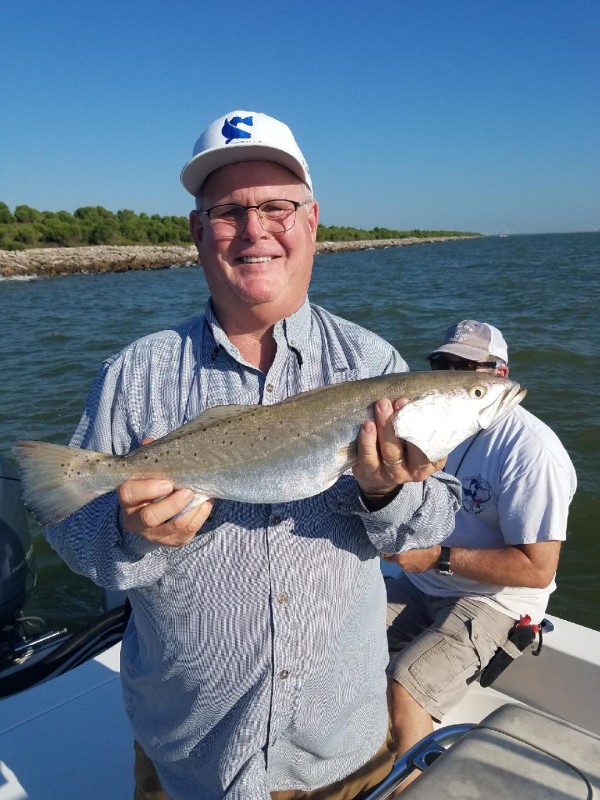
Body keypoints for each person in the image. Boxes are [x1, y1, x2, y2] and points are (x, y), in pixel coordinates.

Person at [44, 110, 462, 800]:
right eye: (229, 211)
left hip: (337, 753)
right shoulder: (134, 373)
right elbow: (75, 534)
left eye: (277, 207)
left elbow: (431, 529)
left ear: (313, 219)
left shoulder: (375, 363)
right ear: (197, 230)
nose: (255, 229)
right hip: (187, 755)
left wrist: (389, 493)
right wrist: (129, 531)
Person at [384, 319, 577, 789]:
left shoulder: (532, 452)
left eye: (466, 369)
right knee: (330, 632)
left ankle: (413, 792)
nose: (450, 377)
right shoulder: (437, 427)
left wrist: (436, 558)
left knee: (405, 686)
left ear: (500, 375)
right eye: (441, 365)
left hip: (497, 600)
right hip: (423, 579)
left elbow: (538, 569)